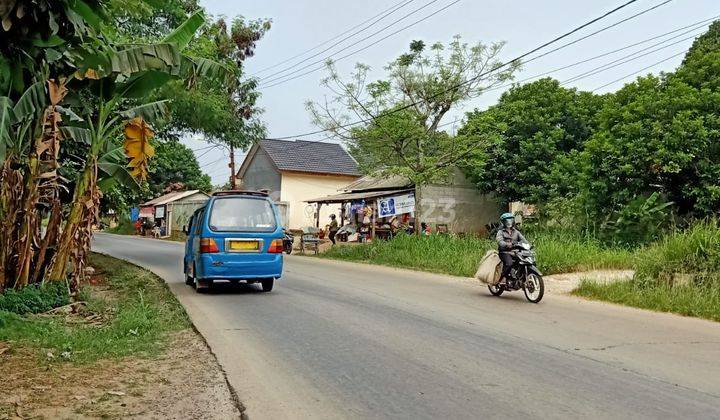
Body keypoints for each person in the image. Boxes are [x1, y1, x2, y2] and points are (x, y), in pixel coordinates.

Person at [496, 212, 527, 285]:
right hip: (504, 252)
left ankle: (521, 277)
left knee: (524, 261)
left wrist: (527, 244)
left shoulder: (516, 232)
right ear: (503, 222)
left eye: (510, 220)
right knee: (509, 263)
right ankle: (503, 278)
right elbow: (500, 241)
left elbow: (523, 240)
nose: (509, 222)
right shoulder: (500, 232)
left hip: (516, 252)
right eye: (507, 221)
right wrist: (506, 244)